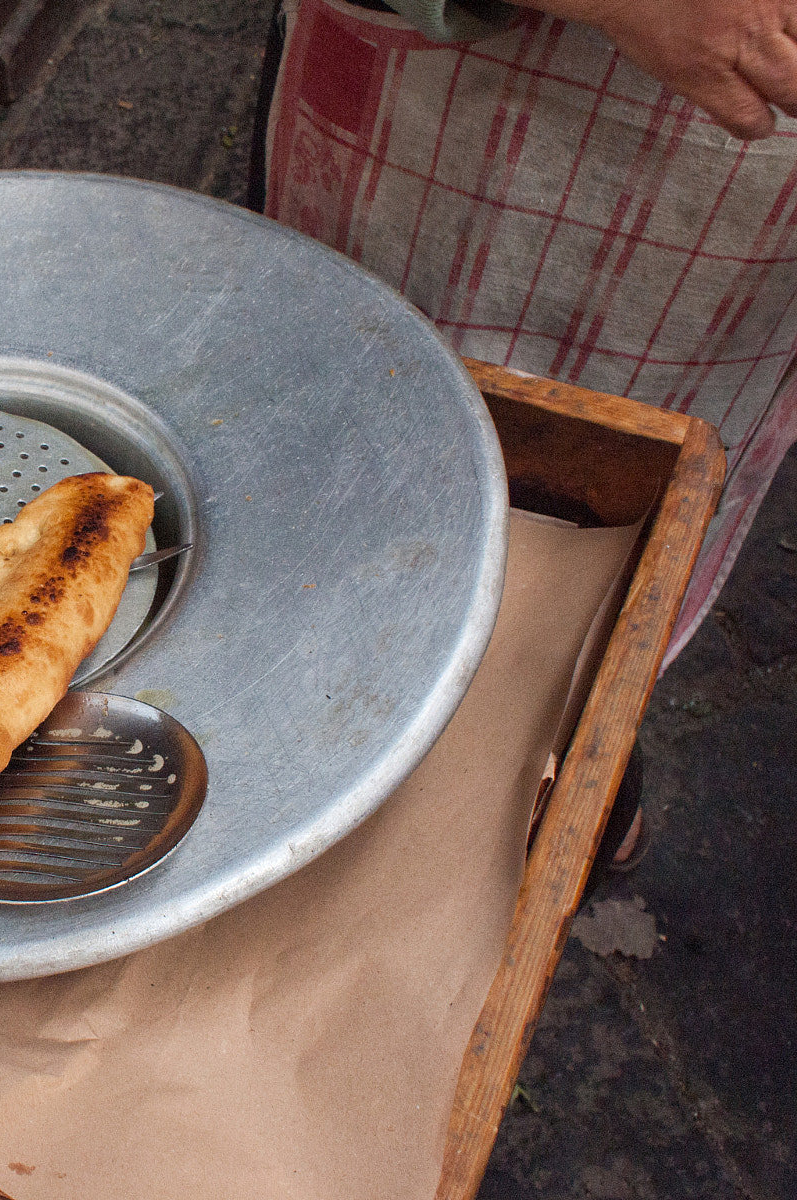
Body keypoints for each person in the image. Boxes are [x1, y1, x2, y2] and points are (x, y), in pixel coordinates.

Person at [253, 0, 797, 866]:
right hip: (443, 113)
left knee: (606, 593)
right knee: (335, 523)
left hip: (742, 228)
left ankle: (579, 769)